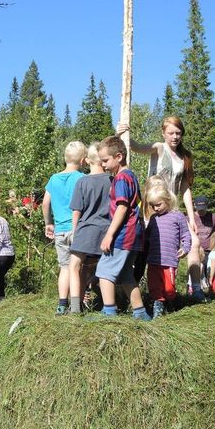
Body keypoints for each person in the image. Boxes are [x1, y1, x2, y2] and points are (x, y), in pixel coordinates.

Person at [116, 114, 204, 301]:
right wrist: (123, 134)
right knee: (144, 249)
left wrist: (191, 216)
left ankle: (195, 289)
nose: (175, 137)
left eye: (178, 133)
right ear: (163, 133)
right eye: (171, 133)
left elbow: (185, 188)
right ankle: (129, 290)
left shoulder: (184, 157)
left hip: (172, 211)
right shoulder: (159, 148)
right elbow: (137, 147)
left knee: (194, 243)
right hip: (151, 209)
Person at [95, 135, 150, 320]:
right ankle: (140, 312)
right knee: (126, 274)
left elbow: (122, 206)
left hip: (123, 234)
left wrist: (109, 234)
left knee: (104, 270)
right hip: (134, 234)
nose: (103, 165)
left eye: (105, 160)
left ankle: (109, 312)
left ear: (118, 156)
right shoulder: (130, 176)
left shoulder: (120, 179)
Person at [43, 140, 86, 314]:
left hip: (60, 230)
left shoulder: (53, 179)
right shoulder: (82, 178)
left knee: (64, 268)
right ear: (83, 160)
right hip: (78, 229)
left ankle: (62, 304)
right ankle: (76, 306)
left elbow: (45, 203)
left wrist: (49, 223)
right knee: (77, 268)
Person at [68, 143, 111, 314]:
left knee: (74, 266)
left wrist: (74, 232)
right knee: (101, 268)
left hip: (86, 230)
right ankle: (110, 303)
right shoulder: (112, 180)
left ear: (87, 160)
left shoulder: (82, 181)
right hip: (107, 231)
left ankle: (75, 307)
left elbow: (76, 211)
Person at [143, 176, 191, 318]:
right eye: (152, 206)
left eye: (158, 205)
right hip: (153, 260)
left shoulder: (177, 216)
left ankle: (170, 300)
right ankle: (158, 305)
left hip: (169, 260)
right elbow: (148, 236)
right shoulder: (153, 219)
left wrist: (185, 248)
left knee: (169, 288)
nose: (155, 208)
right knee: (154, 285)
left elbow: (186, 235)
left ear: (168, 200)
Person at [191, 194, 215, 289]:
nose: (201, 210)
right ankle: (195, 288)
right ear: (194, 205)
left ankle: (209, 288)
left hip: (209, 250)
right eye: (199, 208)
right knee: (196, 270)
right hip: (195, 250)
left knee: (208, 270)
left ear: (207, 206)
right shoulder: (190, 218)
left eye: (203, 208)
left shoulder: (214, 218)